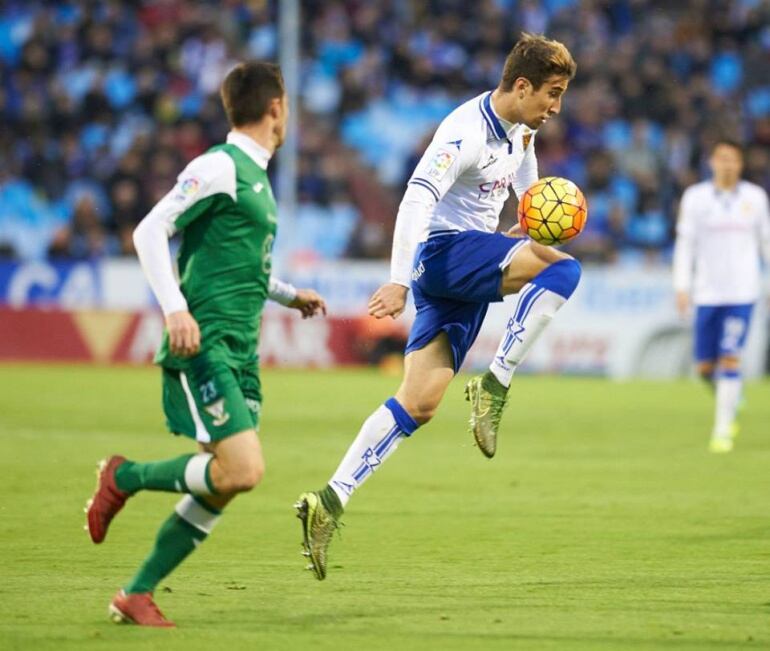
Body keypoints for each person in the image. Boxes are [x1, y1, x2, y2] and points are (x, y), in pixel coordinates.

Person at [295, 33, 581, 580]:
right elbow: (416, 198)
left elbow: (527, 185)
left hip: (464, 267)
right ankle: (495, 383)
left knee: (420, 401)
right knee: (564, 270)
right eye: (553, 93)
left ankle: (329, 499)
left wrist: (531, 219)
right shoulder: (464, 132)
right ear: (522, 86)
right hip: (444, 255)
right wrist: (397, 280)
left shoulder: (521, 130)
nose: (556, 107)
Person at [85, 61, 327, 626]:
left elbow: (242, 265)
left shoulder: (255, 178)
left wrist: (289, 295)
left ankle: (136, 593)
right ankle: (122, 476)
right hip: (206, 343)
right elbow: (150, 230)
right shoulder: (220, 166)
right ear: (276, 108)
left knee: (219, 483)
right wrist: (175, 309)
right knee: (243, 470)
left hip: (242, 349)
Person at [673, 139, 770, 453]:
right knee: (704, 368)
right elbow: (685, 245)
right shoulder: (695, 198)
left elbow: (766, 243)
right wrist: (682, 286)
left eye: (733, 159)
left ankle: (722, 430)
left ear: (740, 164)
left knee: (730, 357)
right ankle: (731, 397)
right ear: (712, 162)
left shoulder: (755, 198)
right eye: (722, 158)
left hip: (742, 292)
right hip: (707, 293)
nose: (727, 164)